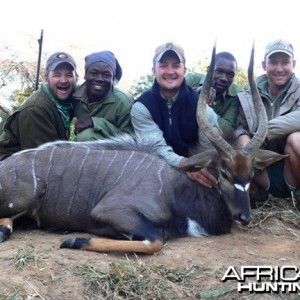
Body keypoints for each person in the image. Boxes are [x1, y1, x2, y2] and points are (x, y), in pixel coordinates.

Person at [130, 42, 220, 188]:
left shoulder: (202, 108)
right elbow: (155, 148)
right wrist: (185, 165)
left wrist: (197, 167)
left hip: (197, 171)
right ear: (154, 70)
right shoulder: (141, 107)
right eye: (163, 65)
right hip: (155, 171)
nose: (170, 71)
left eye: (176, 65)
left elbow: (208, 151)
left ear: (185, 70)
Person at [237, 39, 300, 205]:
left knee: (296, 140)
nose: (279, 69)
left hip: (292, 170)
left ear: (293, 64)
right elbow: (240, 127)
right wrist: (245, 144)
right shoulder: (248, 94)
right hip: (261, 171)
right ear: (264, 65)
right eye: (273, 62)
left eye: (285, 62)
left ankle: (297, 197)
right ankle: (255, 194)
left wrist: (263, 135)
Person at [0, 52, 78, 160]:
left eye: (69, 75)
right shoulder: (35, 110)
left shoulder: (64, 103)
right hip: (10, 168)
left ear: (76, 78)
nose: (64, 80)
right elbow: (43, 162)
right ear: (46, 78)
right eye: (57, 75)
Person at [72, 51, 134, 141]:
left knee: (86, 136)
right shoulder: (73, 94)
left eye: (106, 75)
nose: (100, 79)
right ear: (85, 74)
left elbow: (131, 139)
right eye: (94, 73)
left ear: (113, 79)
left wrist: (95, 122)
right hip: (81, 147)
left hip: (116, 150)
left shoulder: (124, 102)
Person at [185, 52, 242, 132]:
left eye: (230, 75)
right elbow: (170, 98)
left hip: (209, 140)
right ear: (209, 70)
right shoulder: (191, 80)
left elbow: (228, 129)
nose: (224, 79)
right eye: (219, 72)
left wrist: (206, 109)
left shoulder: (235, 95)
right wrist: (195, 94)